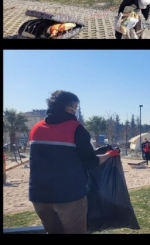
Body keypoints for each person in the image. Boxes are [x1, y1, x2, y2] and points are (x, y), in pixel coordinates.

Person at [28, 90, 120, 234]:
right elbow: (91, 162)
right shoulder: (75, 129)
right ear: (68, 108)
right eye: (75, 108)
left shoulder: (36, 129)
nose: (76, 111)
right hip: (68, 196)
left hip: (39, 197)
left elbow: (56, 155)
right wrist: (108, 155)